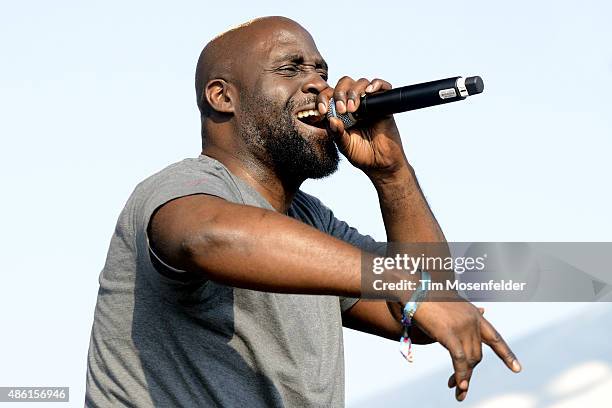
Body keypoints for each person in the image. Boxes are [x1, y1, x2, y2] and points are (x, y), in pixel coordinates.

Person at [85, 16, 520, 407]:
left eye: (322, 72)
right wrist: (401, 283)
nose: (319, 86)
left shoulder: (312, 223)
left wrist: (393, 174)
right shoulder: (184, 188)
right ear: (222, 96)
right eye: (291, 69)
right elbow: (208, 237)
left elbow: (427, 309)